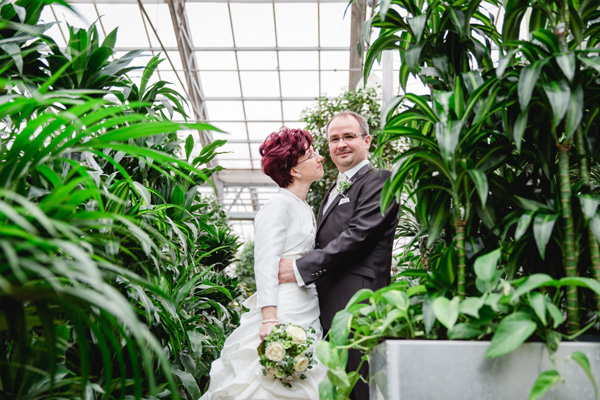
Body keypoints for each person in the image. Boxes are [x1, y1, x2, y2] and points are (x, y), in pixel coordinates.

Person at [278, 111, 399, 400]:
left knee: (360, 388)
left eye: (349, 137)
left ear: (367, 140)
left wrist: (298, 268)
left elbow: (357, 237)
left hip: (358, 307)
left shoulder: (380, 181)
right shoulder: (332, 188)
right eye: (334, 139)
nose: (341, 144)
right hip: (325, 308)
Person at [200, 127, 327, 400]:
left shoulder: (303, 207)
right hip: (284, 310)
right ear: (293, 170)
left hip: (306, 306)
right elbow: (265, 264)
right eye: (311, 154)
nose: (320, 158)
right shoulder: (278, 207)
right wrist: (270, 319)